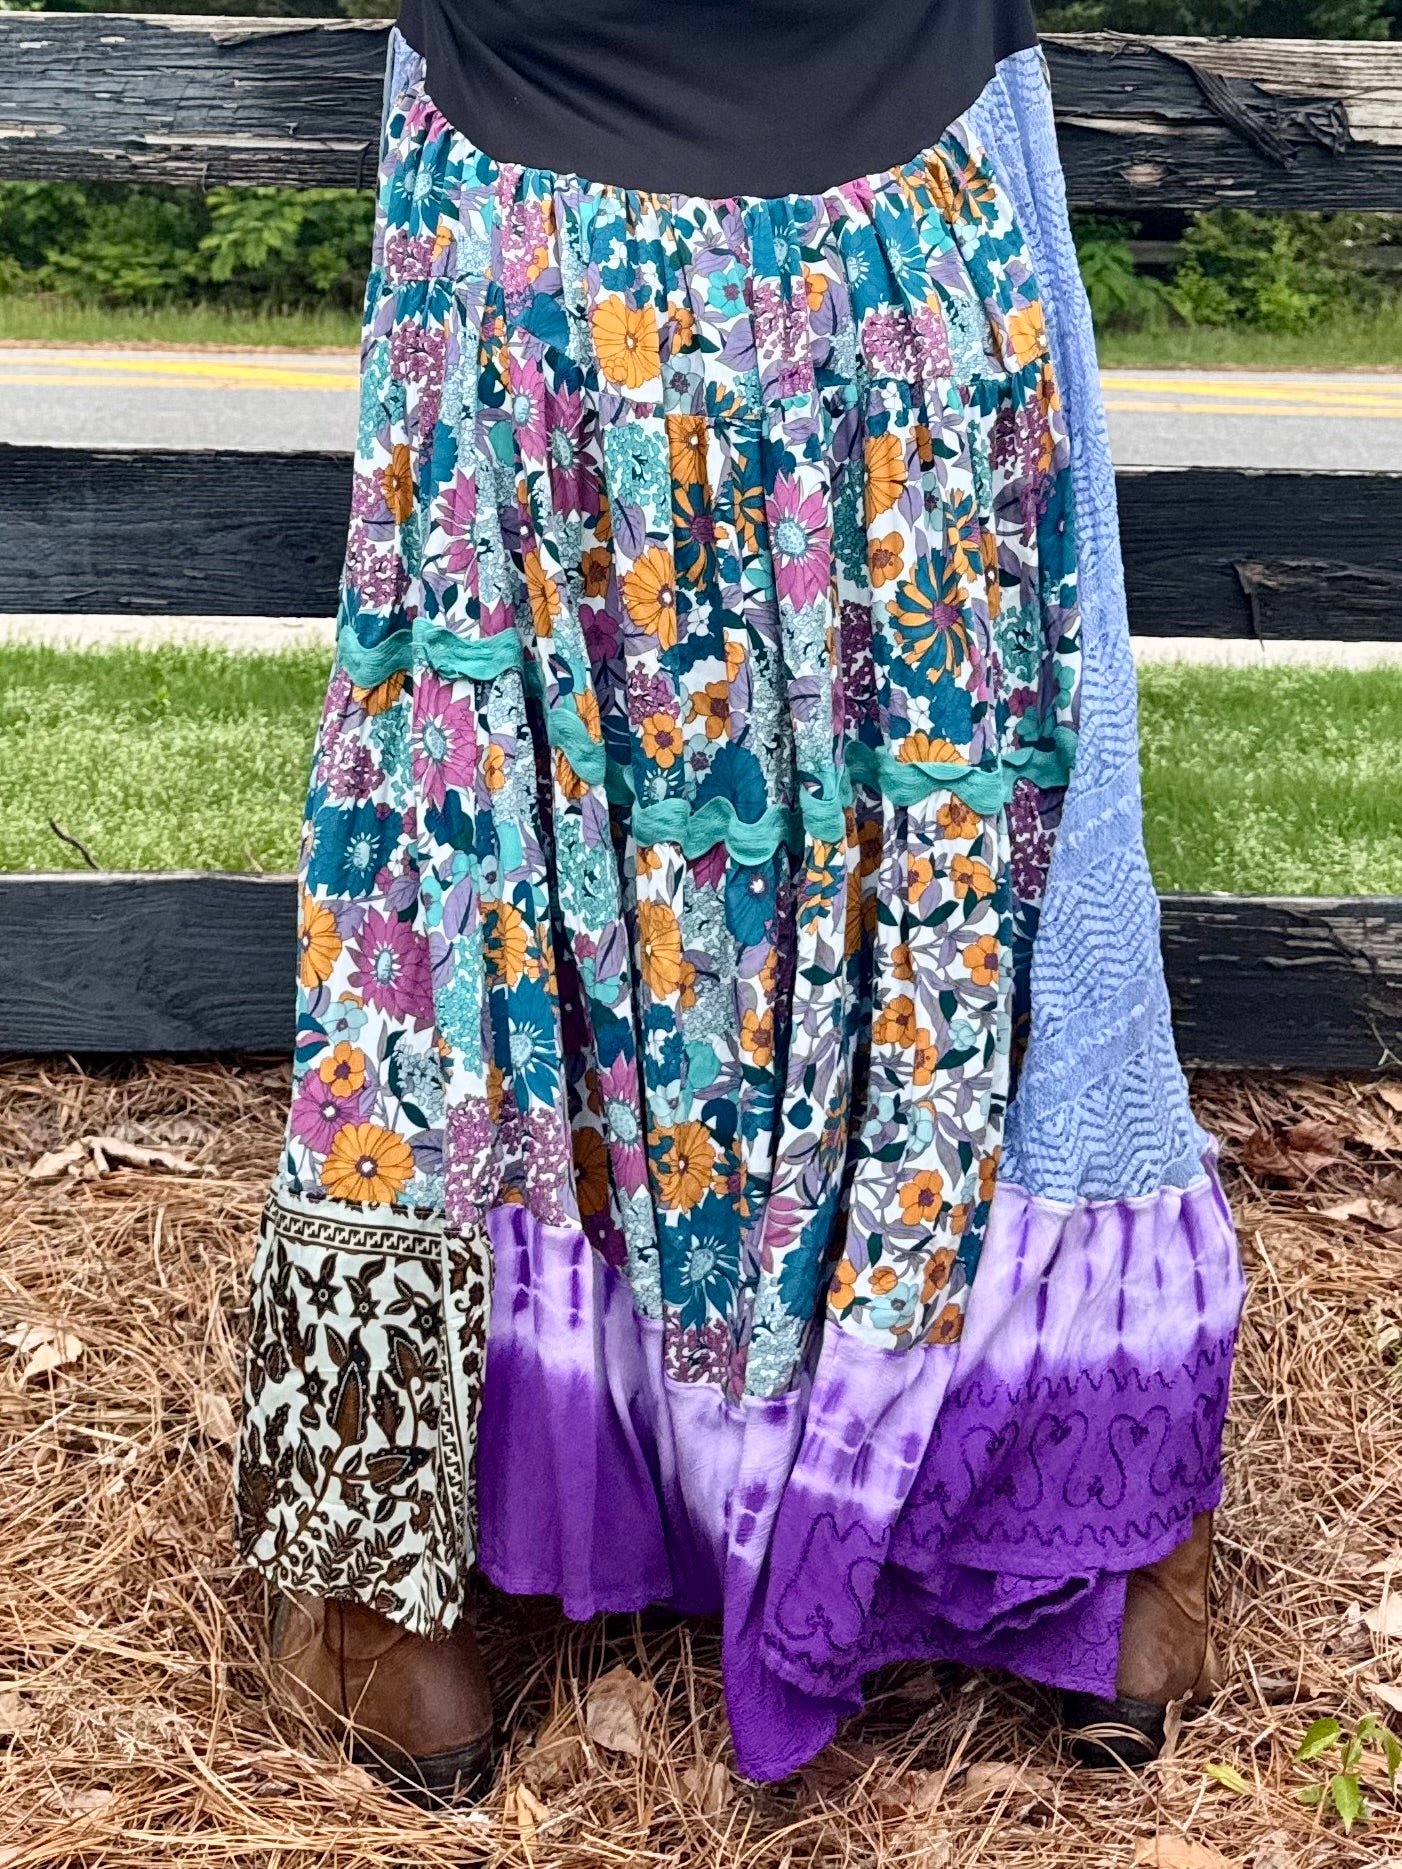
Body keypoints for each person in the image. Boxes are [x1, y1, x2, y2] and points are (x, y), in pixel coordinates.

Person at [234, 0, 1244, 1800]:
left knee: (464, 867)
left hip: (529, 236)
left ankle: (392, 1611)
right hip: (903, 233)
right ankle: (1105, 1562)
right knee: (964, 855)